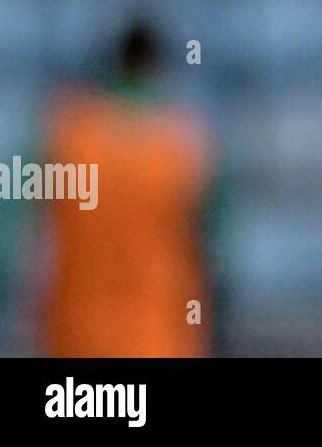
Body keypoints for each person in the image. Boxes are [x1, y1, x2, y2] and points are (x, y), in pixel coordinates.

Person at [34, 19, 219, 357]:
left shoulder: (66, 132)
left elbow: (28, 243)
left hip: (75, 339)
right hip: (161, 340)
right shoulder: (186, 142)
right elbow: (213, 250)